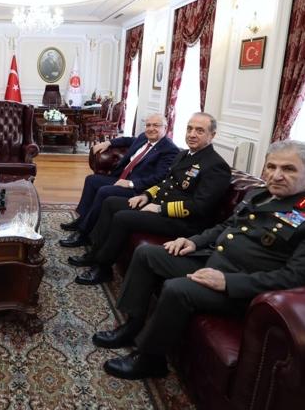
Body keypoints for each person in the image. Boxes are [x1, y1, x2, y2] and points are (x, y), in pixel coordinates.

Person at [92, 140, 305, 380]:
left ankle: (150, 359)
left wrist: (228, 282)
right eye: (271, 167)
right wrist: (194, 242)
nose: (276, 175)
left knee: (177, 289)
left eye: (289, 169)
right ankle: (132, 325)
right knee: (148, 254)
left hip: (244, 290)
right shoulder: (261, 194)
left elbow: (297, 278)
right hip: (214, 260)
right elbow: (226, 226)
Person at [73, 112, 231, 284]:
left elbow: (200, 206)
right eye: (189, 129)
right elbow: (166, 183)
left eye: (199, 131)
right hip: (161, 207)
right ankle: (94, 254)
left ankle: (103, 268)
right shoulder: (184, 154)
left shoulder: (216, 165)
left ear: (212, 135)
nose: (192, 134)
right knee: (111, 203)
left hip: (183, 222)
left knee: (123, 218)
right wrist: (146, 195)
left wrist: (160, 208)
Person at [59, 113, 179, 248]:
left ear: (165, 128)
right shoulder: (144, 137)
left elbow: (160, 177)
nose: (151, 128)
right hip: (121, 178)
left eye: (156, 125)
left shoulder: (169, 150)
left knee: (105, 191)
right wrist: (108, 142)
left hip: (138, 189)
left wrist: (131, 183)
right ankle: (82, 219)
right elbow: (127, 140)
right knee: (91, 180)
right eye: (148, 125)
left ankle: (84, 233)